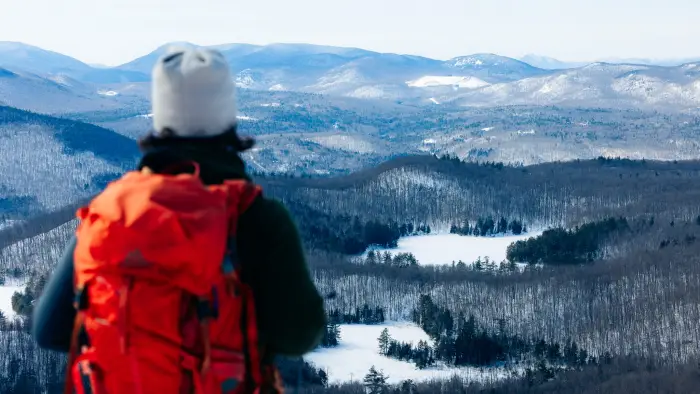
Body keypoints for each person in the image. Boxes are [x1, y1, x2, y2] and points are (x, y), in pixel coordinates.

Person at [32, 46, 326, 393]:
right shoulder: (255, 217)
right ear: (229, 119)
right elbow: (299, 335)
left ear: (160, 120)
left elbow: (49, 329)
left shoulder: (110, 212)